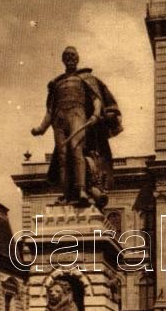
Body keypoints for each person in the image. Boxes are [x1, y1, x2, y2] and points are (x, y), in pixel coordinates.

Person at [31, 46, 122, 208]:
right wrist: (41, 128)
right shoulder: (56, 83)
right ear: (63, 60)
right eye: (67, 56)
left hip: (77, 115)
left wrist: (95, 113)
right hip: (59, 119)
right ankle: (66, 194)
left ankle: (80, 190)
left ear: (77, 59)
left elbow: (97, 98)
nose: (70, 58)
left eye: (73, 56)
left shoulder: (85, 78)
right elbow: (50, 111)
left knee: (76, 148)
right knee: (62, 156)